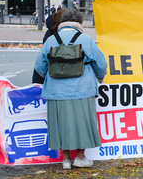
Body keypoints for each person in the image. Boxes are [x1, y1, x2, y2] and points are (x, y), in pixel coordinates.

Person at [34, 9, 107, 170]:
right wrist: (98, 78)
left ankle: (66, 159)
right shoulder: (85, 39)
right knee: (83, 123)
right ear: (79, 23)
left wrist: (52, 75)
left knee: (61, 124)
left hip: (56, 91)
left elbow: (40, 67)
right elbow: (101, 64)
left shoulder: (51, 40)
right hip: (83, 89)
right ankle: (80, 157)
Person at [32, 9, 65, 84]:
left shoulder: (49, 36)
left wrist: (37, 85)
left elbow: (40, 68)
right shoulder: (83, 39)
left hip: (52, 84)